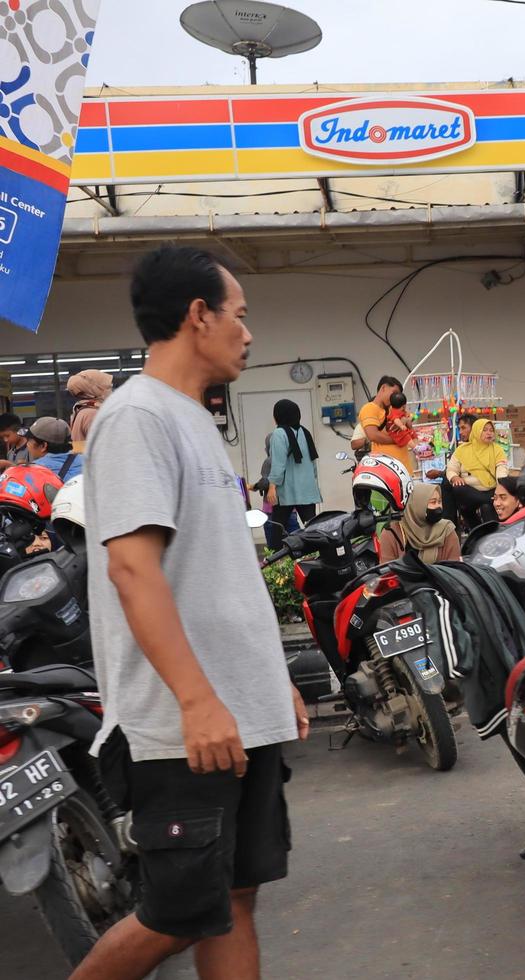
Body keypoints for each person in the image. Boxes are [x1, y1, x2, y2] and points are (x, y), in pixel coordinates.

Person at [73, 245, 308, 980]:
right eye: (238, 316)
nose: (247, 333)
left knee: (234, 901)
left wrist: (273, 683)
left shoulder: (194, 419)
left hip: (238, 713)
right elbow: (132, 570)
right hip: (182, 729)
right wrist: (199, 700)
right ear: (197, 315)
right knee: (173, 916)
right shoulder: (138, 417)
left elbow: (216, 577)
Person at [265, 399, 322, 543]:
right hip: (307, 490)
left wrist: (272, 487)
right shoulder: (305, 432)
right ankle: (321, 557)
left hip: (287, 492)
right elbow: (313, 463)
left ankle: (277, 563)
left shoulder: (279, 433)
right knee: (313, 530)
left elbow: (278, 464)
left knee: (277, 532)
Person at [377, 482, 462, 564]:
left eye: (439, 502)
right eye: (433, 502)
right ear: (417, 505)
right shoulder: (392, 533)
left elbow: (454, 570)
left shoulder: (447, 530)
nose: (438, 506)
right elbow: (386, 571)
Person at [445, 418, 508, 526]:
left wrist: (500, 486)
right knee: (457, 488)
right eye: (485, 430)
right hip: (470, 491)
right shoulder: (462, 449)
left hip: (490, 489)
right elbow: (451, 469)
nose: (489, 433)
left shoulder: (497, 450)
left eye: (491, 430)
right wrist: (454, 477)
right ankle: (489, 500)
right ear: (476, 431)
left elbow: (501, 469)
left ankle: (486, 534)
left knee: (486, 508)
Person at [358, 375, 414, 471]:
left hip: (403, 468)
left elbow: (410, 418)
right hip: (386, 470)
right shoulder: (369, 408)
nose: (395, 398)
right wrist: (400, 439)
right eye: (394, 393)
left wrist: (405, 420)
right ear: (383, 388)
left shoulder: (394, 408)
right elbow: (373, 435)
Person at [66, 368, 114, 446]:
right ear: (94, 390)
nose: (111, 391)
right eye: (108, 388)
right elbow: (106, 447)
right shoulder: (92, 414)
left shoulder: (84, 409)